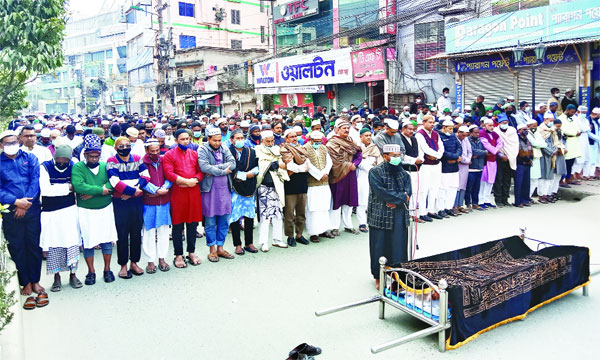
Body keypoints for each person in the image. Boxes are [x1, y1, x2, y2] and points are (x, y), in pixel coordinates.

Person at [0, 130, 47, 307]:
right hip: (11, 212)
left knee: (34, 245)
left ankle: (35, 280)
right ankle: (25, 281)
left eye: (14, 141)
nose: (11, 145)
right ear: (1, 145)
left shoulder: (30, 158)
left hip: (31, 209)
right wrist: (15, 202)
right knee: (17, 247)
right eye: (7, 143)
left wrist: (24, 203)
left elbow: (35, 181)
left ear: (18, 141)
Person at [71, 135, 117, 285]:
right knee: (89, 241)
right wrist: (100, 190)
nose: (93, 159)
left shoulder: (105, 166)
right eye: (90, 156)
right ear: (85, 154)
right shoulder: (78, 167)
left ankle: (107, 269)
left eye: (96, 156)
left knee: (106, 239)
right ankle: (91, 272)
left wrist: (94, 192)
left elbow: (113, 183)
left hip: (105, 208)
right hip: (86, 210)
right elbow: (78, 186)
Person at [367, 144, 411, 290]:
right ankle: (378, 276)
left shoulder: (404, 174)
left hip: (399, 216)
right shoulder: (375, 172)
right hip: (380, 215)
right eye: (394, 156)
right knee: (379, 247)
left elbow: (407, 193)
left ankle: (398, 278)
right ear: (385, 157)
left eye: (399, 155)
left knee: (398, 248)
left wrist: (396, 201)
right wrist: (399, 199)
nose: (397, 158)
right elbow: (381, 192)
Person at [39, 144, 83, 291]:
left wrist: (61, 188)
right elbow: (45, 191)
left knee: (72, 243)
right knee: (54, 244)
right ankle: (56, 277)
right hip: (50, 212)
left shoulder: (74, 165)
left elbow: (78, 184)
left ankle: (73, 274)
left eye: (66, 160)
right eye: (59, 159)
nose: (62, 163)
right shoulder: (44, 167)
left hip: (70, 210)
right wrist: (68, 187)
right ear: (54, 157)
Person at [106, 137, 150, 279]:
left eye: (127, 145)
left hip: (136, 201)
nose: (125, 147)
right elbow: (114, 182)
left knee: (136, 233)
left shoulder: (137, 158)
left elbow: (146, 176)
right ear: (115, 148)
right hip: (120, 203)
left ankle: (134, 263)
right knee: (122, 234)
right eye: (121, 146)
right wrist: (132, 192)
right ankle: (123, 265)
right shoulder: (111, 161)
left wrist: (133, 192)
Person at [163, 129, 203, 268]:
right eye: (182, 139)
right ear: (176, 141)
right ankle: (178, 255)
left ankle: (191, 252)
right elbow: (169, 174)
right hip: (178, 192)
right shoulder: (169, 155)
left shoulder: (194, 154)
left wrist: (195, 179)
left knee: (192, 224)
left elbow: (200, 171)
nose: (186, 141)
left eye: (187, 139)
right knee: (177, 225)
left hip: (193, 192)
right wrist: (186, 182)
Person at [198, 128, 237, 262]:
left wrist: (215, 169)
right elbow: (204, 167)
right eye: (214, 140)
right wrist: (222, 170)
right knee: (210, 221)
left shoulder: (224, 147)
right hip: (209, 190)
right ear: (208, 139)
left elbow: (233, 164)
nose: (217, 143)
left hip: (225, 189)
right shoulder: (202, 149)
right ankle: (212, 249)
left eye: (219, 140)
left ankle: (220, 247)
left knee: (224, 219)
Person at [140, 139, 172, 273]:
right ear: (147, 150)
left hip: (164, 201)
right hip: (149, 202)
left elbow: (169, 176)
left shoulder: (164, 160)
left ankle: (162, 258)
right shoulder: (141, 163)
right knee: (149, 232)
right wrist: (156, 190)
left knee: (164, 231)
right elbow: (142, 180)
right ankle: (150, 260)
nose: (155, 153)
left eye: (157, 151)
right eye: (152, 151)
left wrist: (164, 188)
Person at [255, 130, 289, 252]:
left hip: (277, 185)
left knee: (278, 214)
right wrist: (272, 164)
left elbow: (282, 163)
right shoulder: (257, 149)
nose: (270, 143)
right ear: (262, 140)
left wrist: (279, 164)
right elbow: (261, 164)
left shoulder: (276, 149)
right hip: (264, 186)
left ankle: (277, 239)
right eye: (267, 141)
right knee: (264, 215)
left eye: (272, 141)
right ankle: (264, 242)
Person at [326, 120, 362, 235]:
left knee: (349, 200)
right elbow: (334, 160)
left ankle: (348, 225)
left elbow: (359, 154)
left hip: (350, 174)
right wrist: (349, 165)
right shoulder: (332, 143)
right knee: (337, 201)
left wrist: (354, 164)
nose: (346, 130)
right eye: (344, 128)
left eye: (348, 128)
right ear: (337, 129)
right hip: (338, 174)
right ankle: (334, 227)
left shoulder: (351, 141)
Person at [228, 130, 259, 255]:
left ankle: (249, 243)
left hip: (249, 187)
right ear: (232, 139)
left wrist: (252, 173)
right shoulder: (228, 152)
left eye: (242, 138)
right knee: (235, 217)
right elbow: (231, 169)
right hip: (234, 188)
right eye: (237, 138)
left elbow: (257, 166)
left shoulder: (251, 151)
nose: (240, 140)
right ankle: (237, 244)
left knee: (249, 215)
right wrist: (245, 175)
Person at [280, 129, 310, 247]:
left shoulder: (302, 149)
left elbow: (307, 163)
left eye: (295, 136)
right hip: (290, 185)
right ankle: (290, 236)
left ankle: (299, 234)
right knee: (289, 214)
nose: (294, 138)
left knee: (301, 212)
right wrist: (302, 168)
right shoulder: (283, 149)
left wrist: (300, 167)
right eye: (291, 137)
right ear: (286, 138)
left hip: (302, 184)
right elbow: (289, 166)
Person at [303, 131, 335, 242]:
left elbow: (329, 162)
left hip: (324, 183)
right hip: (313, 183)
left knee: (324, 207)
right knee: (313, 208)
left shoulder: (323, 148)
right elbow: (308, 165)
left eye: (319, 141)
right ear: (311, 140)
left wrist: (325, 173)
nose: (318, 143)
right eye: (316, 142)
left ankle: (324, 230)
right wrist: (319, 175)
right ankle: (313, 233)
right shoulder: (305, 148)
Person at [415, 115, 444, 222]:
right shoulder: (419, 134)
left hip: (436, 163)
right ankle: (422, 212)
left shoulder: (436, 134)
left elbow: (441, 146)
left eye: (433, 122)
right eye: (430, 122)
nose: (432, 124)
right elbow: (425, 148)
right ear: (424, 122)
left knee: (434, 188)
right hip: (426, 165)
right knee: (424, 189)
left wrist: (438, 156)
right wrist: (436, 155)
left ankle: (431, 210)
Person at [357, 127, 383, 233]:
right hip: (362, 176)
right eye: (366, 135)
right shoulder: (357, 148)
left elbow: (379, 160)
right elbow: (358, 162)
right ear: (361, 137)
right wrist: (370, 167)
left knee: (374, 200)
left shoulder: (374, 147)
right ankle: (362, 223)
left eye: (369, 135)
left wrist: (375, 168)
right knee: (362, 201)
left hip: (374, 177)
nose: (368, 137)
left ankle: (373, 221)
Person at [399, 120, 423, 222]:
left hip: (416, 169)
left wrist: (420, 159)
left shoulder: (414, 139)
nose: (411, 131)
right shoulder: (399, 138)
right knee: (406, 192)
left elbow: (419, 152)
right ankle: (405, 214)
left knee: (415, 191)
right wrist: (414, 160)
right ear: (403, 129)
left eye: (413, 129)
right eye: (409, 129)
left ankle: (413, 214)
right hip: (405, 169)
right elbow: (401, 155)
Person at [437, 119, 462, 217]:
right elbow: (442, 151)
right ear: (444, 127)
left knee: (453, 188)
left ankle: (449, 207)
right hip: (445, 167)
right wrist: (455, 157)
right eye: (450, 128)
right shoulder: (439, 136)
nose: (451, 130)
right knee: (443, 189)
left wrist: (456, 157)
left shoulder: (453, 136)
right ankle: (441, 209)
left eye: (452, 128)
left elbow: (459, 147)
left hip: (454, 167)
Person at [493, 114, 518, 207]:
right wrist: (500, 154)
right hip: (499, 158)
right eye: (503, 123)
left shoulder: (512, 131)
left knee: (507, 180)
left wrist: (510, 155)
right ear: (499, 123)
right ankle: (498, 200)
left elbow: (515, 145)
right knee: (499, 180)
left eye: (506, 123)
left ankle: (505, 199)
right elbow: (495, 145)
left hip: (510, 158)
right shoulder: (495, 131)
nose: (505, 124)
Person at [478, 118, 504, 208]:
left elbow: (500, 142)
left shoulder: (494, 133)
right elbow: (486, 145)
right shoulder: (482, 133)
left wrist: (495, 150)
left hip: (493, 160)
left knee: (491, 181)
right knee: (483, 181)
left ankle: (487, 199)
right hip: (485, 160)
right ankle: (480, 200)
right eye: (489, 125)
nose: (491, 127)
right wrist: (495, 150)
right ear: (484, 125)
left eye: (492, 125)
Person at [537, 113, 558, 203]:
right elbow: (541, 144)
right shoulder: (540, 130)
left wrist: (555, 150)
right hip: (544, 155)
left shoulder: (553, 130)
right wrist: (551, 152)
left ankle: (546, 194)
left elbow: (556, 141)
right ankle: (541, 195)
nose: (551, 122)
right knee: (543, 176)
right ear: (545, 120)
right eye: (550, 120)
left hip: (552, 155)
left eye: (552, 120)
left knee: (549, 176)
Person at [559, 104, 582, 185]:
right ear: (567, 110)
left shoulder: (573, 118)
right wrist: (575, 133)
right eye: (571, 112)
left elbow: (577, 127)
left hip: (574, 142)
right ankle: (562, 179)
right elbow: (563, 130)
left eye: (574, 112)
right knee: (565, 162)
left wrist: (578, 131)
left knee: (571, 161)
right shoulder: (561, 118)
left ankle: (568, 178)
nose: (573, 114)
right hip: (567, 141)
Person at [465, 125, 487, 211]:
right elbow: (472, 151)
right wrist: (483, 152)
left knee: (476, 187)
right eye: (475, 132)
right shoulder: (468, 141)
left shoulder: (480, 141)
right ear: (470, 133)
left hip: (479, 167)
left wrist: (481, 153)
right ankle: (468, 203)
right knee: (469, 187)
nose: (477, 134)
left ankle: (475, 203)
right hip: (471, 167)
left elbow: (485, 151)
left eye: (478, 132)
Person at [526, 119, 547, 200]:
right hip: (531, 157)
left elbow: (544, 144)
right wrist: (539, 144)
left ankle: (529, 197)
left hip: (537, 156)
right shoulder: (527, 133)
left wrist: (538, 144)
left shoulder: (536, 132)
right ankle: (527, 197)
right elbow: (534, 143)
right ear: (528, 126)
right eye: (533, 126)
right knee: (532, 179)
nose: (535, 127)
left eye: (536, 126)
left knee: (535, 179)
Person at [514, 124, 533, 207]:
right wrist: (527, 160)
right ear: (519, 130)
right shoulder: (516, 139)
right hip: (520, 163)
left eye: (526, 129)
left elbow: (531, 149)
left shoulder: (527, 139)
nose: (526, 131)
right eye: (524, 129)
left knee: (526, 183)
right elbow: (519, 152)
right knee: (519, 183)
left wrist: (531, 158)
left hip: (527, 164)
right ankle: (518, 201)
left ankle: (525, 200)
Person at [454, 125, 472, 213]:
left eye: (466, 135)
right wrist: (462, 160)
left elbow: (470, 151)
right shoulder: (454, 139)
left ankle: (460, 204)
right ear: (459, 132)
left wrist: (467, 160)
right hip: (457, 164)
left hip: (465, 165)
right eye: (463, 135)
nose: (464, 137)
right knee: (456, 185)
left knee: (463, 185)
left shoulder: (466, 140)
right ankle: (454, 205)